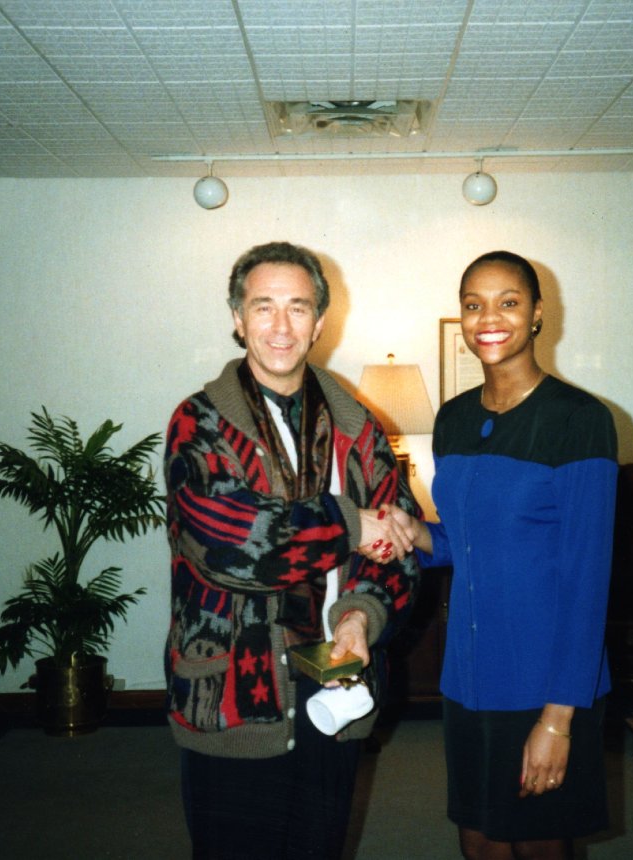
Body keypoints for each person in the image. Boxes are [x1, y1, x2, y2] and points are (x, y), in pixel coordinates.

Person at [162, 240, 421, 859]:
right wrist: (350, 524)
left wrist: (360, 616)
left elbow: (400, 541)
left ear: (320, 322)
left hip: (334, 679)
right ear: (237, 318)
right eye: (263, 306)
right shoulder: (198, 423)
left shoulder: (358, 425)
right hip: (232, 693)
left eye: (298, 308)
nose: (281, 326)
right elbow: (230, 543)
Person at [378, 250, 618, 860]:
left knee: (538, 844)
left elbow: (587, 579)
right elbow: (466, 544)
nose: (489, 318)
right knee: (479, 841)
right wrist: (414, 531)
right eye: (473, 305)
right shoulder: (454, 419)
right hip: (468, 673)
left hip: (545, 679)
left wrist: (557, 720)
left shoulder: (579, 420)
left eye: (508, 302)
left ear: (537, 313)